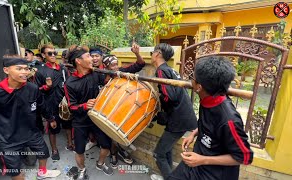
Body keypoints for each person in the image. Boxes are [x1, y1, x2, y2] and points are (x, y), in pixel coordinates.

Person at [167, 56, 254, 180]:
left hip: (213, 174)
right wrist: (194, 133)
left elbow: (245, 157)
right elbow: (209, 125)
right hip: (196, 164)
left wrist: (203, 160)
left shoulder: (229, 120)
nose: (191, 80)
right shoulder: (207, 99)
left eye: (193, 78)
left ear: (199, 87)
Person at [0, 57, 61, 180]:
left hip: (31, 132)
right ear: (6, 70)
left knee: (44, 152)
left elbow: (42, 106)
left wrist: (51, 119)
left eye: (26, 69)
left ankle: (42, 172)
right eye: (19, 69)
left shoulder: (32, 88)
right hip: (8, 139)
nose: (24, 72)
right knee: (15, 170)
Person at [64, 45, 113, 179]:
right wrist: (85, 106)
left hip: (97, 118)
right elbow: (71, 106)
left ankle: (100, 163)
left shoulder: (96, 73)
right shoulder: (70, 83)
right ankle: (82, 169)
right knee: (79, 150)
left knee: (106, 145)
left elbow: (108, 81)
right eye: (88, 56)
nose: (92, 58)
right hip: (80, 121)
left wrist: (111, 70)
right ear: (78, 61)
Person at [150, 43, 197, 180]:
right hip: (182, 117)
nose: (151, 55)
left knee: (158, 154)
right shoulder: (169, 70)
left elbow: (169, 95)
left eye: (152, 52)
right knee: (167, 150)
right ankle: (169, 177)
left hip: (178, 119)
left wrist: (158, 98)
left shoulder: (161, 71)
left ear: (157, 54)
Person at [101, 43, 145, 168]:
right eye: (112, 65)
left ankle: (116, 153)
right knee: (110, 134)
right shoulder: (101, 76)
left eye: (116, 64)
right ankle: (114, 154)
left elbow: (140, 64)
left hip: (120, 108)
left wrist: (137, 53)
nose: (115, 67)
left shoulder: (122, 71)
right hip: (106, 108)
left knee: (116, 134)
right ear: (106, 66)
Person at [35, 44, 73, 161]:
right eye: (49, 53)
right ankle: (54, 149)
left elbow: (68, 84)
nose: (53, 55)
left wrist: (69, 100)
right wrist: (46, 87)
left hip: (64, 103)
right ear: (43, 55)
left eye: (54, 53)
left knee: (68, 124)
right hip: (50, 104)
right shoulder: (41, 71)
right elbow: (36, 91)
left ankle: (70, 144)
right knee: (53, 127)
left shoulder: (63, 69)